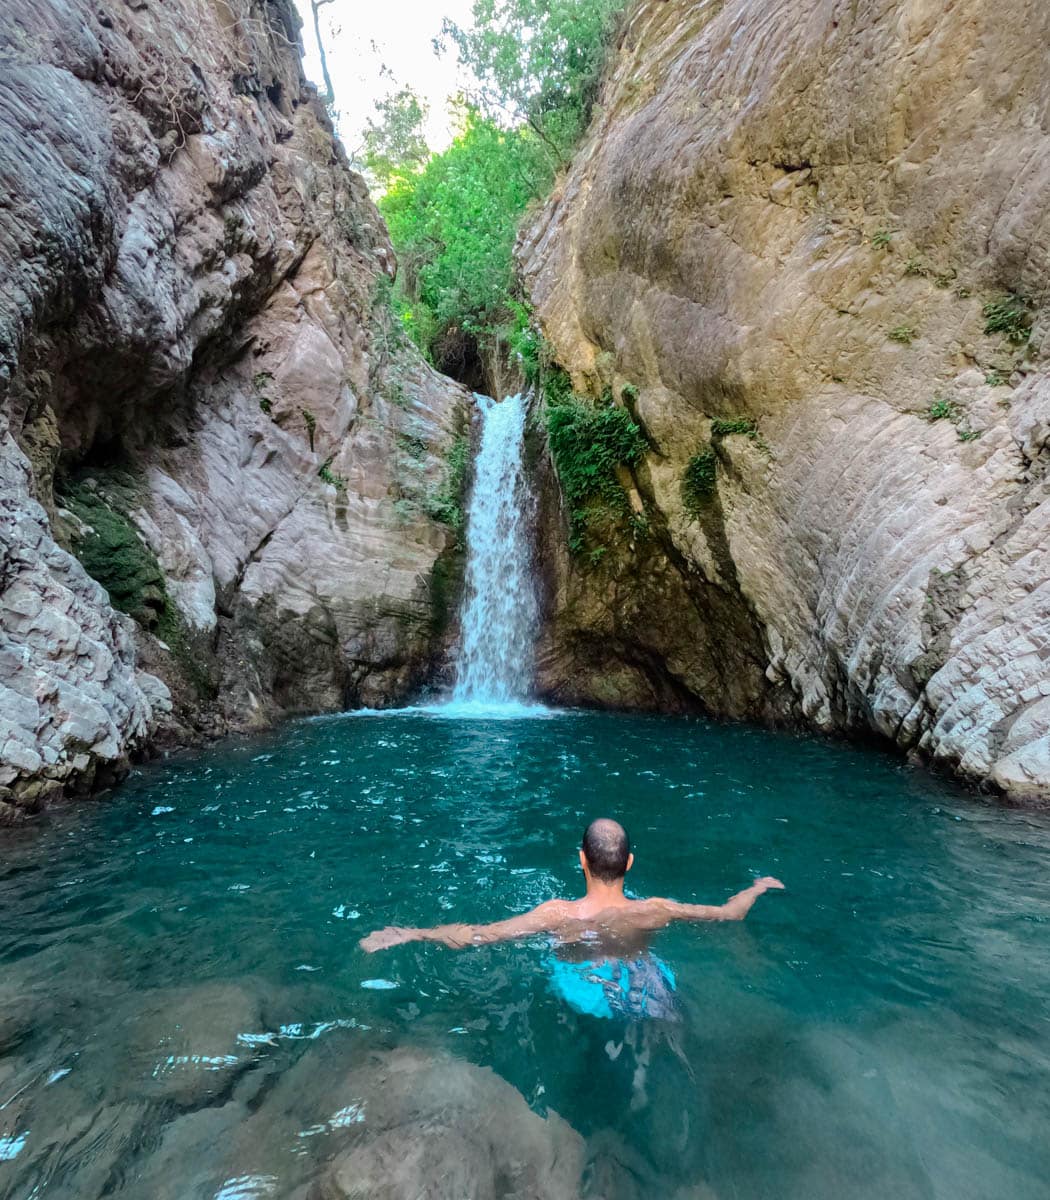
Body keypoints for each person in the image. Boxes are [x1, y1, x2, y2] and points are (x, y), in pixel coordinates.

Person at [359, 817, 784, 957]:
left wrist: (411, 934)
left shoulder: (556, 914)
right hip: (648, 984)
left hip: (587, 991)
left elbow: (480, 936)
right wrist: (758, 887)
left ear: (581, 859)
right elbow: (730, 914)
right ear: (630, 864)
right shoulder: (656, 909)